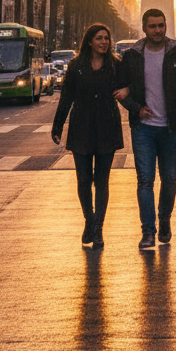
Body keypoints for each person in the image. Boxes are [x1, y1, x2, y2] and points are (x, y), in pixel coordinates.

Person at [118, 9, 176, 248]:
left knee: (170, 178)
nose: (157, 30)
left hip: (170, 127)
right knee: (145, 180)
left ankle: (164, 218)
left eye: (161, 25)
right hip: (143, 128)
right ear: (144, 28)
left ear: (166, 26)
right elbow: (120, 89)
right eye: (152, 26)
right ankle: (148, 231)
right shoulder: (132, 55)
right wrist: (136, 108)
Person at [51, 23, 129, 249]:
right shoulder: (76, 66)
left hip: (107, 127)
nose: (104, 42)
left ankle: (98, 229)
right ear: (89, 41)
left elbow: (130, 87)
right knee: (84, 180)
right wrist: (58, 126)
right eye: (99, 38)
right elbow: (67, 96)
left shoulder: (115, 65)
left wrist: (129, 92)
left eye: (106, 38)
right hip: (81, 127)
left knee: (102, 181)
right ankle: (89, 219)